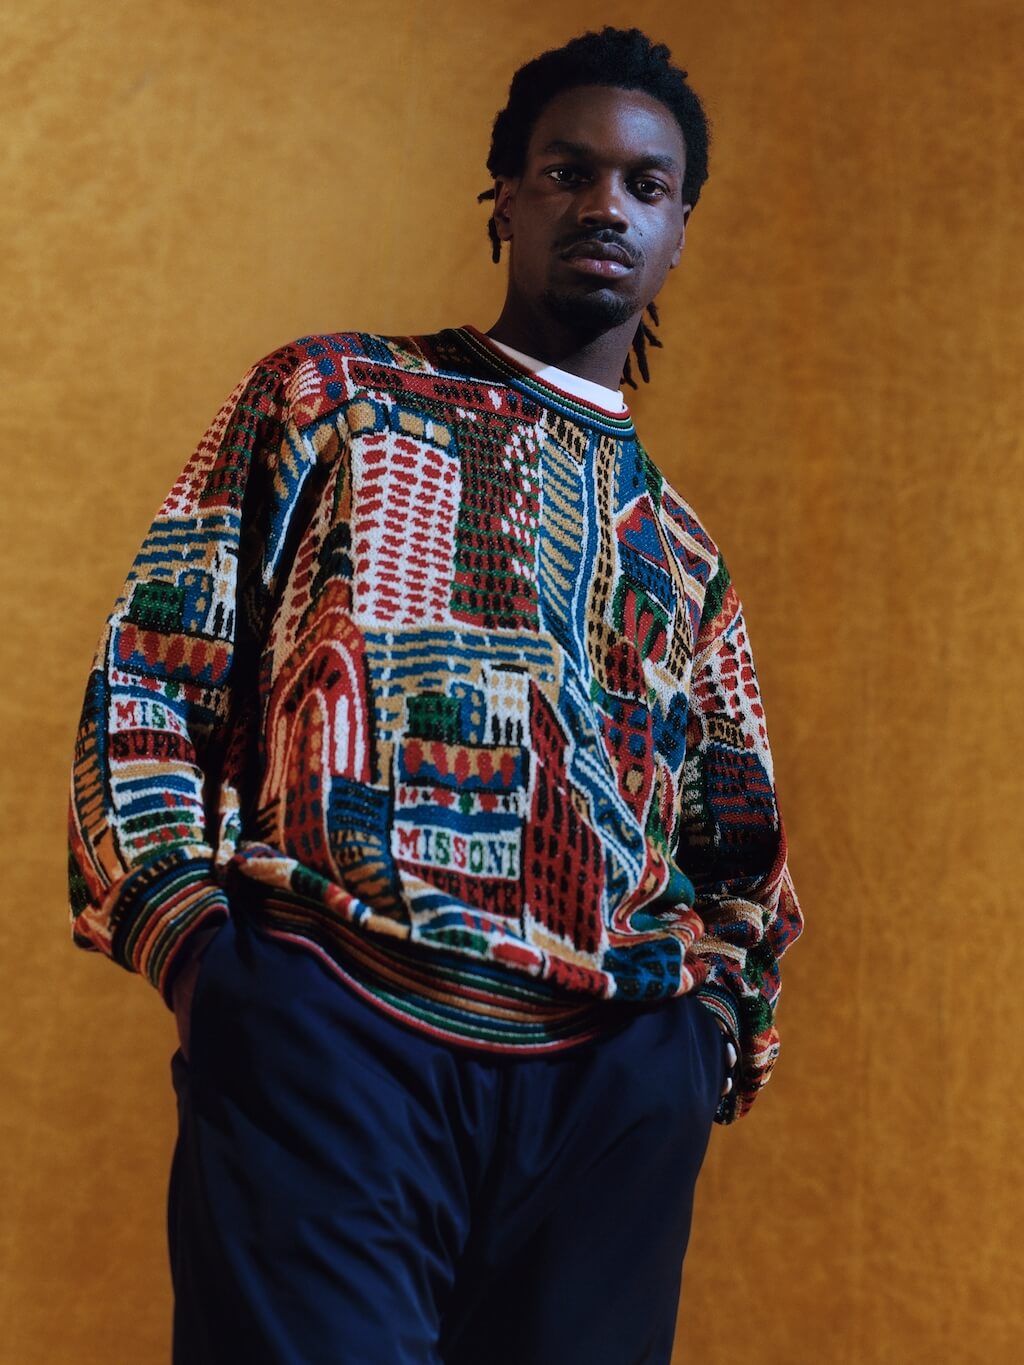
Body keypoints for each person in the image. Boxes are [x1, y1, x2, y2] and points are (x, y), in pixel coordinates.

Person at [67, 26, 802, 1365]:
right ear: (504, 199)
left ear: (680, 231)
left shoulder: (682, 557)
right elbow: (157, 668)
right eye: (567, 171)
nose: (605, 206)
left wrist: (699, 1042)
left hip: (609, 1093)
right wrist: (204, 957)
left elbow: (744, 857)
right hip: (335, 1035)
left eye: (645, 185)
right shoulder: (332, 401)